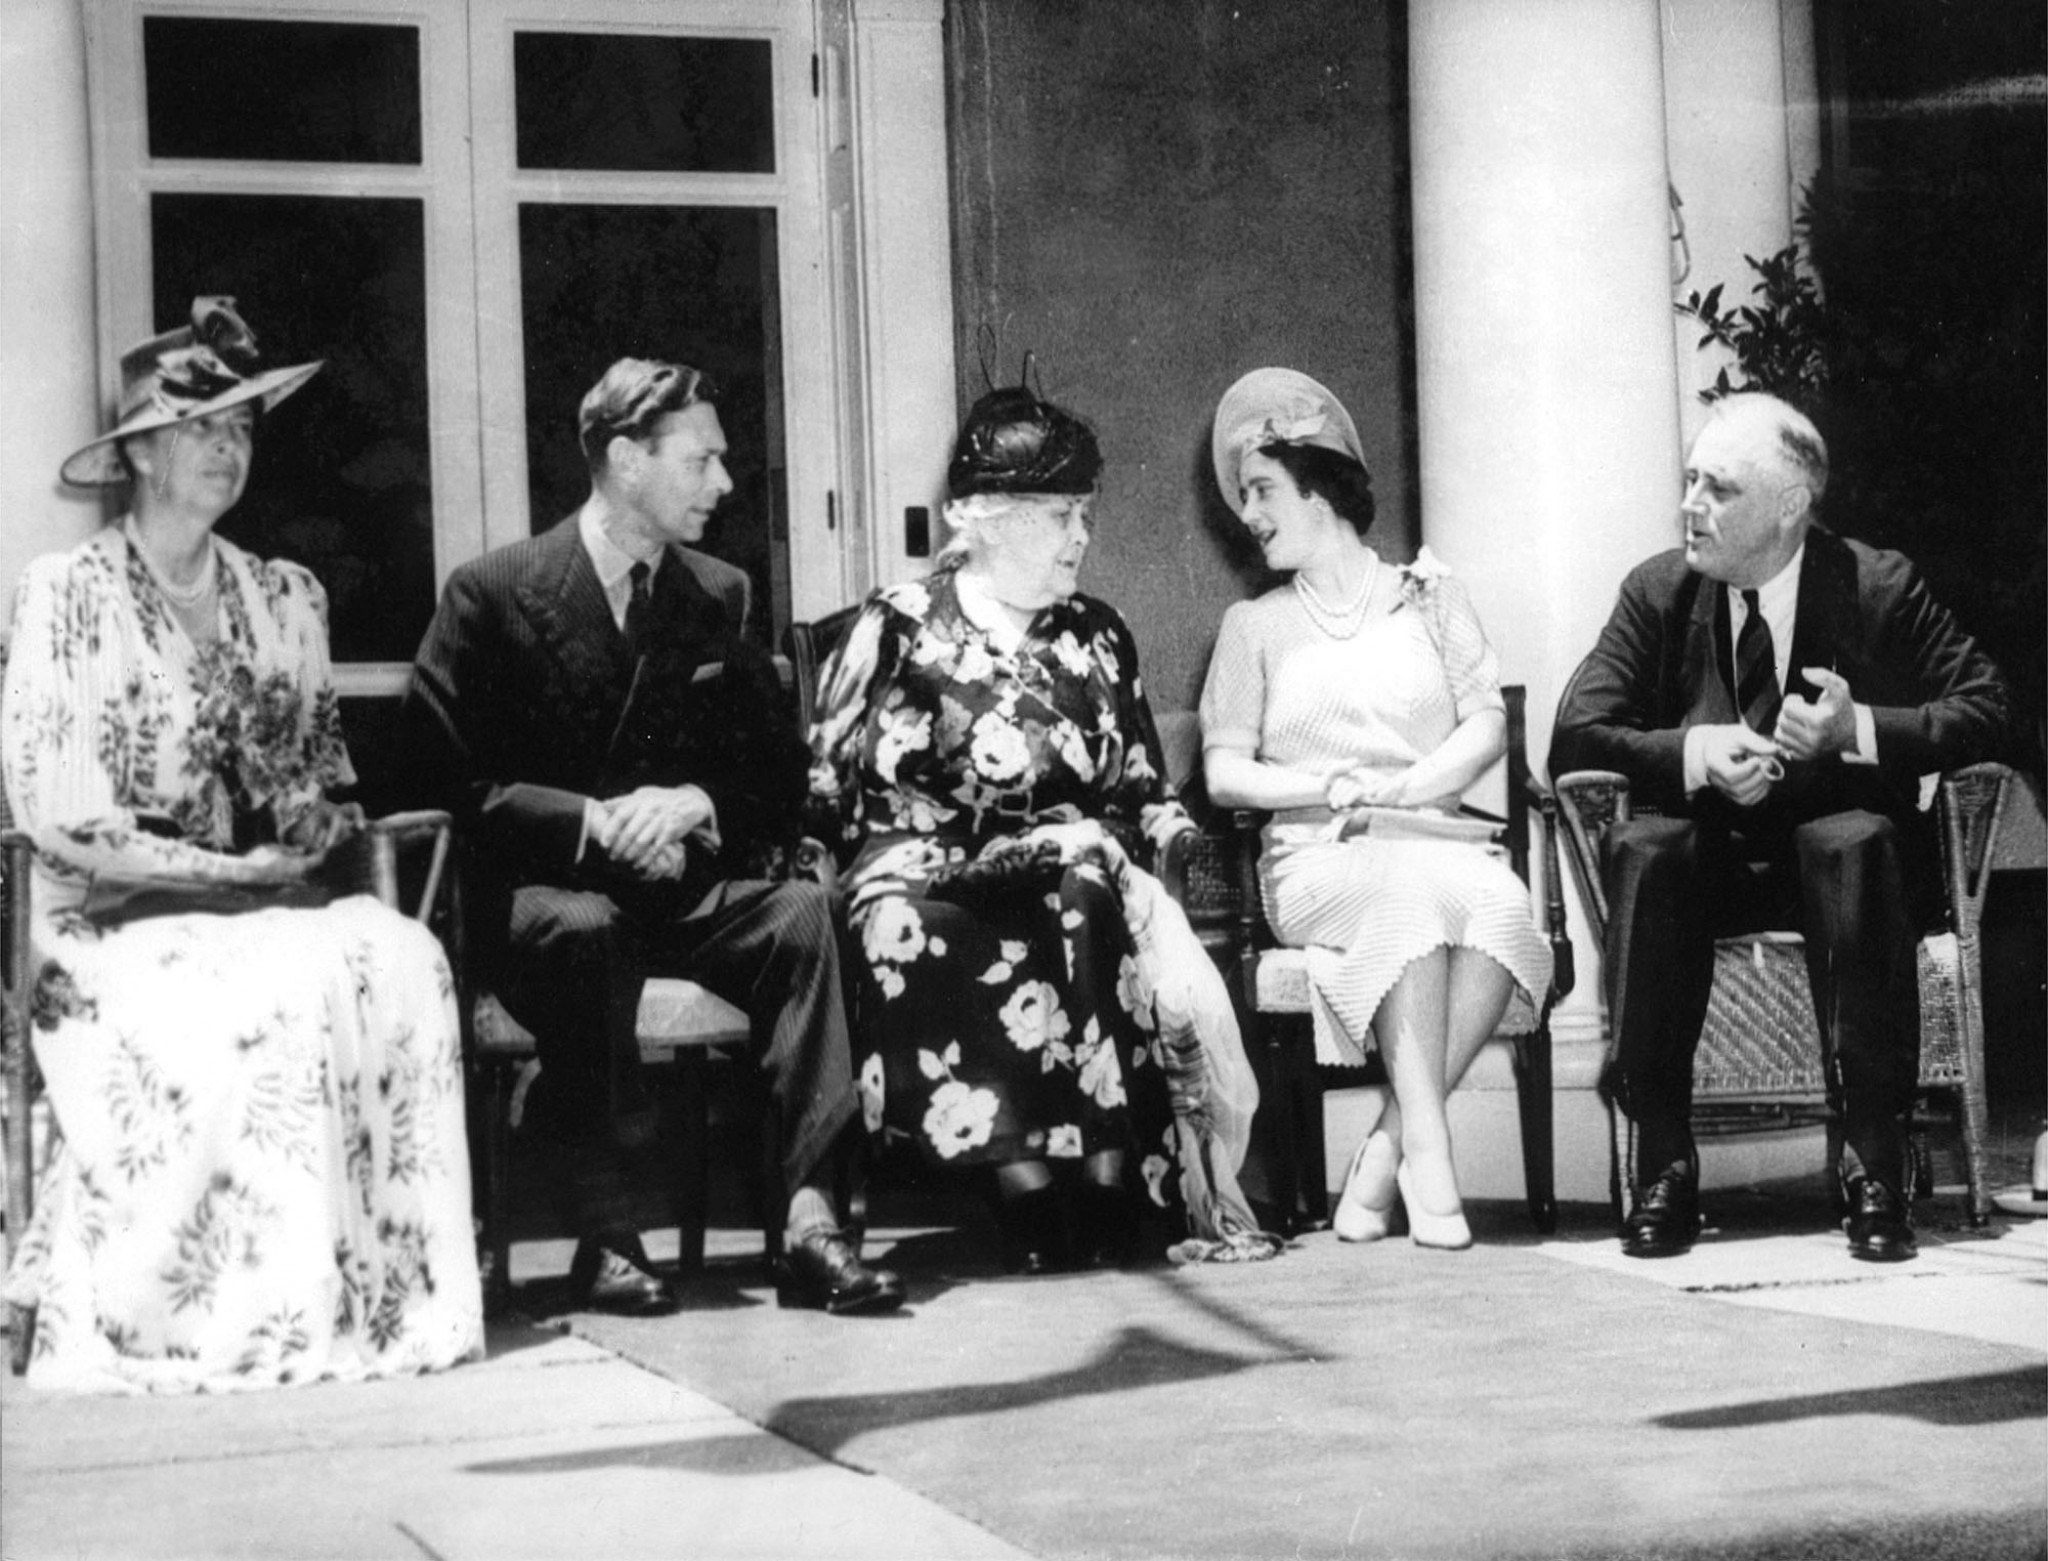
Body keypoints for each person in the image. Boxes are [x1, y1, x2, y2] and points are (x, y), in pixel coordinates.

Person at [0, 297, 484, 1391]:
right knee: (242, 993)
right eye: (199, 426)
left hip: (259, 903)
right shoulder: (65, 596)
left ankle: (377, 1300)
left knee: (397, 958)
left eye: (242, 428)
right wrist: (225, 873)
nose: (227, 449)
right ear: (135, 451)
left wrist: (316, 823)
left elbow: (314, 784)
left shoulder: (283, 597)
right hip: (110, 918)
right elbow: (60, 820)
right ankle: (202, 1318)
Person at [402, 357, 902, 1316]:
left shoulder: (718, 593)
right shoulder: (492, 594)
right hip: (549, 903)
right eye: (703, 459)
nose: (723, 482)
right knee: (588, 932)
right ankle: (605, 1234)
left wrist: (695, 802)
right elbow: (437, 783)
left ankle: (808, 1221)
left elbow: (777, 782)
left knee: (806, 912)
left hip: (677, 891)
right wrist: (589, 823)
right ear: (627, 461)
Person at [808, 382, 1273, 1273]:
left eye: (1083, 514)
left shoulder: (1097, 634)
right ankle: (1024, 1189)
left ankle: (1101, 1182)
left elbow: (1140, 784)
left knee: (1083, 899)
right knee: (927, 930)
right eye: (1061, 514)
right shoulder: (896, 627)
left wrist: (1176, 843)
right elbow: (824, 773)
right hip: (923, 868)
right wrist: (811, 871)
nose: (1080, 537)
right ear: (984, 519)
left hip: (1072, 860)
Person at [1551, 391, 2008, 1263]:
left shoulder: (1877, 584)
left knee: (1853, 840)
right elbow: (1575, 731)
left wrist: (1860, 728)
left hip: (1834, 861)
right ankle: (1663, 1164)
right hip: (1710, 863)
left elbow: (1992, 707)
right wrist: (1694, 749)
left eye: (1717, 488)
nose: (1691, 506)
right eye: (1690, 480)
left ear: (1790, 506)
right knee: (1647, 846)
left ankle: (1873, 1164)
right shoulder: (1659, 590)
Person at [1200, 368, 1554, 1252]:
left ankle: (1384, 1150)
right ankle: (1432, 1157)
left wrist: (1411, 783)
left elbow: (1486, 723)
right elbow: (1224, 775)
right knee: (1410, 899)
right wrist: (1322, 787)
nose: (1249, 512)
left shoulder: (1431, 596)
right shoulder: (1254, 627)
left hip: (1429, 834)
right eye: (1244, 495)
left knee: (1504, 906)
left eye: (1263, 490)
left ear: (1319, 488)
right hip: (1318, 860)